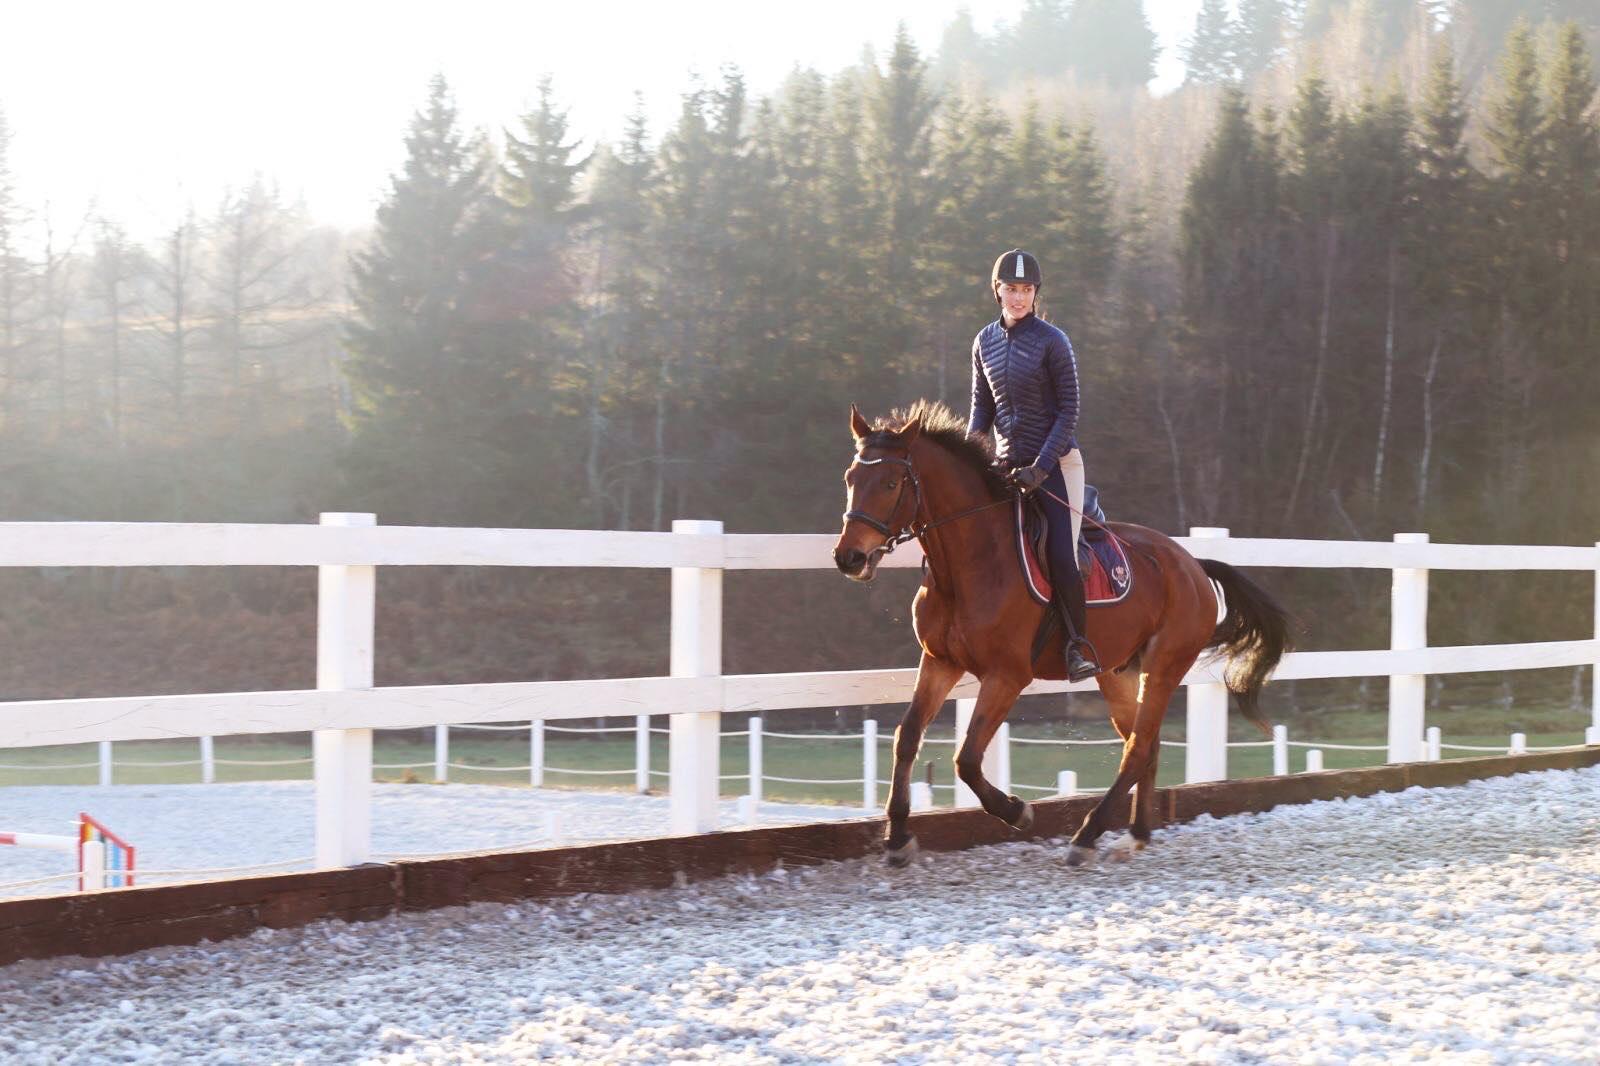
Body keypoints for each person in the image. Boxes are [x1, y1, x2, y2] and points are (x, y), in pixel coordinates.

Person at [967, 249, 1099, 682]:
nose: (1019, 297)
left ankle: (1078, 646)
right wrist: (971, 462)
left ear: (1035, 293)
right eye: (1011, 289)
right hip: (1006, 467)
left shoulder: (1053, 340)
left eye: (1026, 290)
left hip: (1057, 463)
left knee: (1060, 552)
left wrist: (1041, 466)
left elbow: (1069, 410)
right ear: (997, 291)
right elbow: (980, 411)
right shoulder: (983, 342)